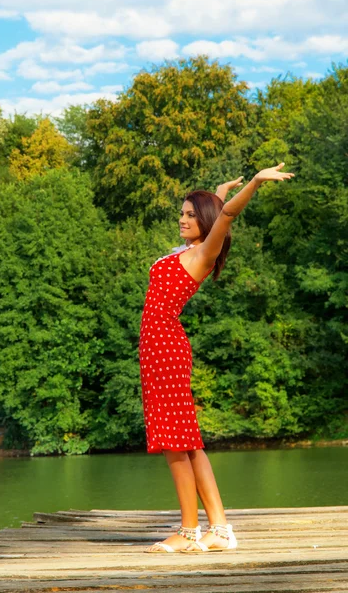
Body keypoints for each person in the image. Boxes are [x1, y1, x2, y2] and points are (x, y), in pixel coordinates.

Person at [139, 163, 295, 554]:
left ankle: (189, 532)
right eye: (182, 212)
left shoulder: (204, 253)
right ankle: (220, 529)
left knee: (175, 442)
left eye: (191, 214)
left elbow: (223, 217)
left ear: (204, 222)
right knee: (188, 443)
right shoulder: (187, 251)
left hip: (165, 348)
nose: (183, 219)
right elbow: (216, 210)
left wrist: (254, 184)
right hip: (157, 349)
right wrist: (217, 191)